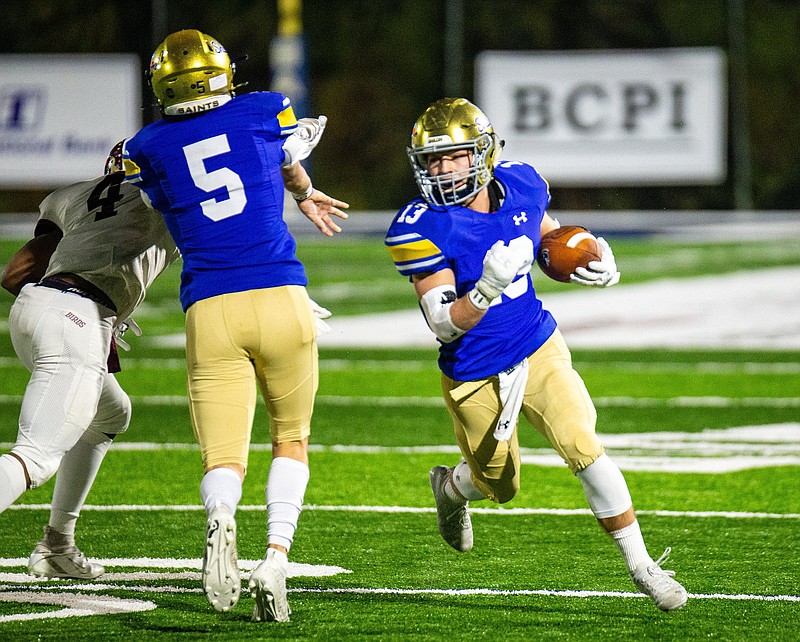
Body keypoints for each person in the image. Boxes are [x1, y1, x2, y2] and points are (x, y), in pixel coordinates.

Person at [384, 97, 688, 612]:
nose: (441, 169)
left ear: (482, 154)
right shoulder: (423, 225)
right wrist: (483, 289)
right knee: (499, 485)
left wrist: (588, 248)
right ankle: (452, 490)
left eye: (453, 156)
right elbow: (442, 324)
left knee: (583, 444)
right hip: (474, 370)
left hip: (537, 342)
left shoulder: (522, 182)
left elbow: (546, 236)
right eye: (433, 160)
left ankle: (642, 566)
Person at [122, 29, 348, 622]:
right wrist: (304, 193)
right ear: (222, 74)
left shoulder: (146, 145)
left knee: (223, 456)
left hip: (211, 308)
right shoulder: (264, 109)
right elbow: (288, 161)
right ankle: (275, 558)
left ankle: (222, 516)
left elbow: (153, 204)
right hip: (281, 296)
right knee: (290, 439)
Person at [0, 142, 180, 579]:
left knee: (110, 413)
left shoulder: (76, 193)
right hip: (78, 313)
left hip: (35, 306)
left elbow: (16, 271)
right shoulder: (172, 197)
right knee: (36, 456)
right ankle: (54, 545)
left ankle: (57, 545)